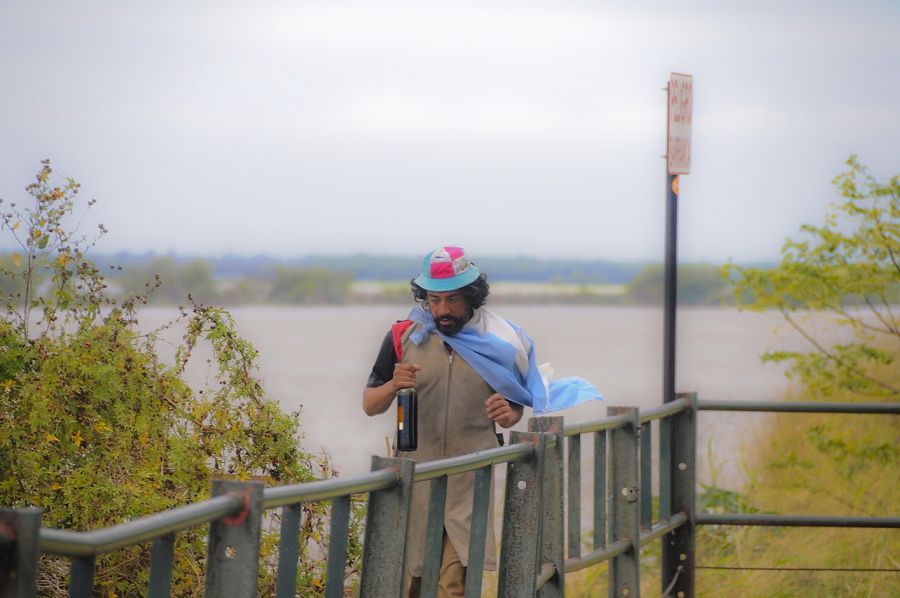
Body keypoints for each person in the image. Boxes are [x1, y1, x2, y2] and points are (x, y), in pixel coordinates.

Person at [363, 245, 602, 597]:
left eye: (453, 300)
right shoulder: (403, 337)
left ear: (473, 297)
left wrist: (511, 413)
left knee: (455, 584)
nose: (442, 310)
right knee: (410, 581)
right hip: (415, 477)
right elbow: (370, 405)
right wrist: (393, 385)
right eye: (434, 300)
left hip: (470, 477)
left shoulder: (502, 341)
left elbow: (515, 402)